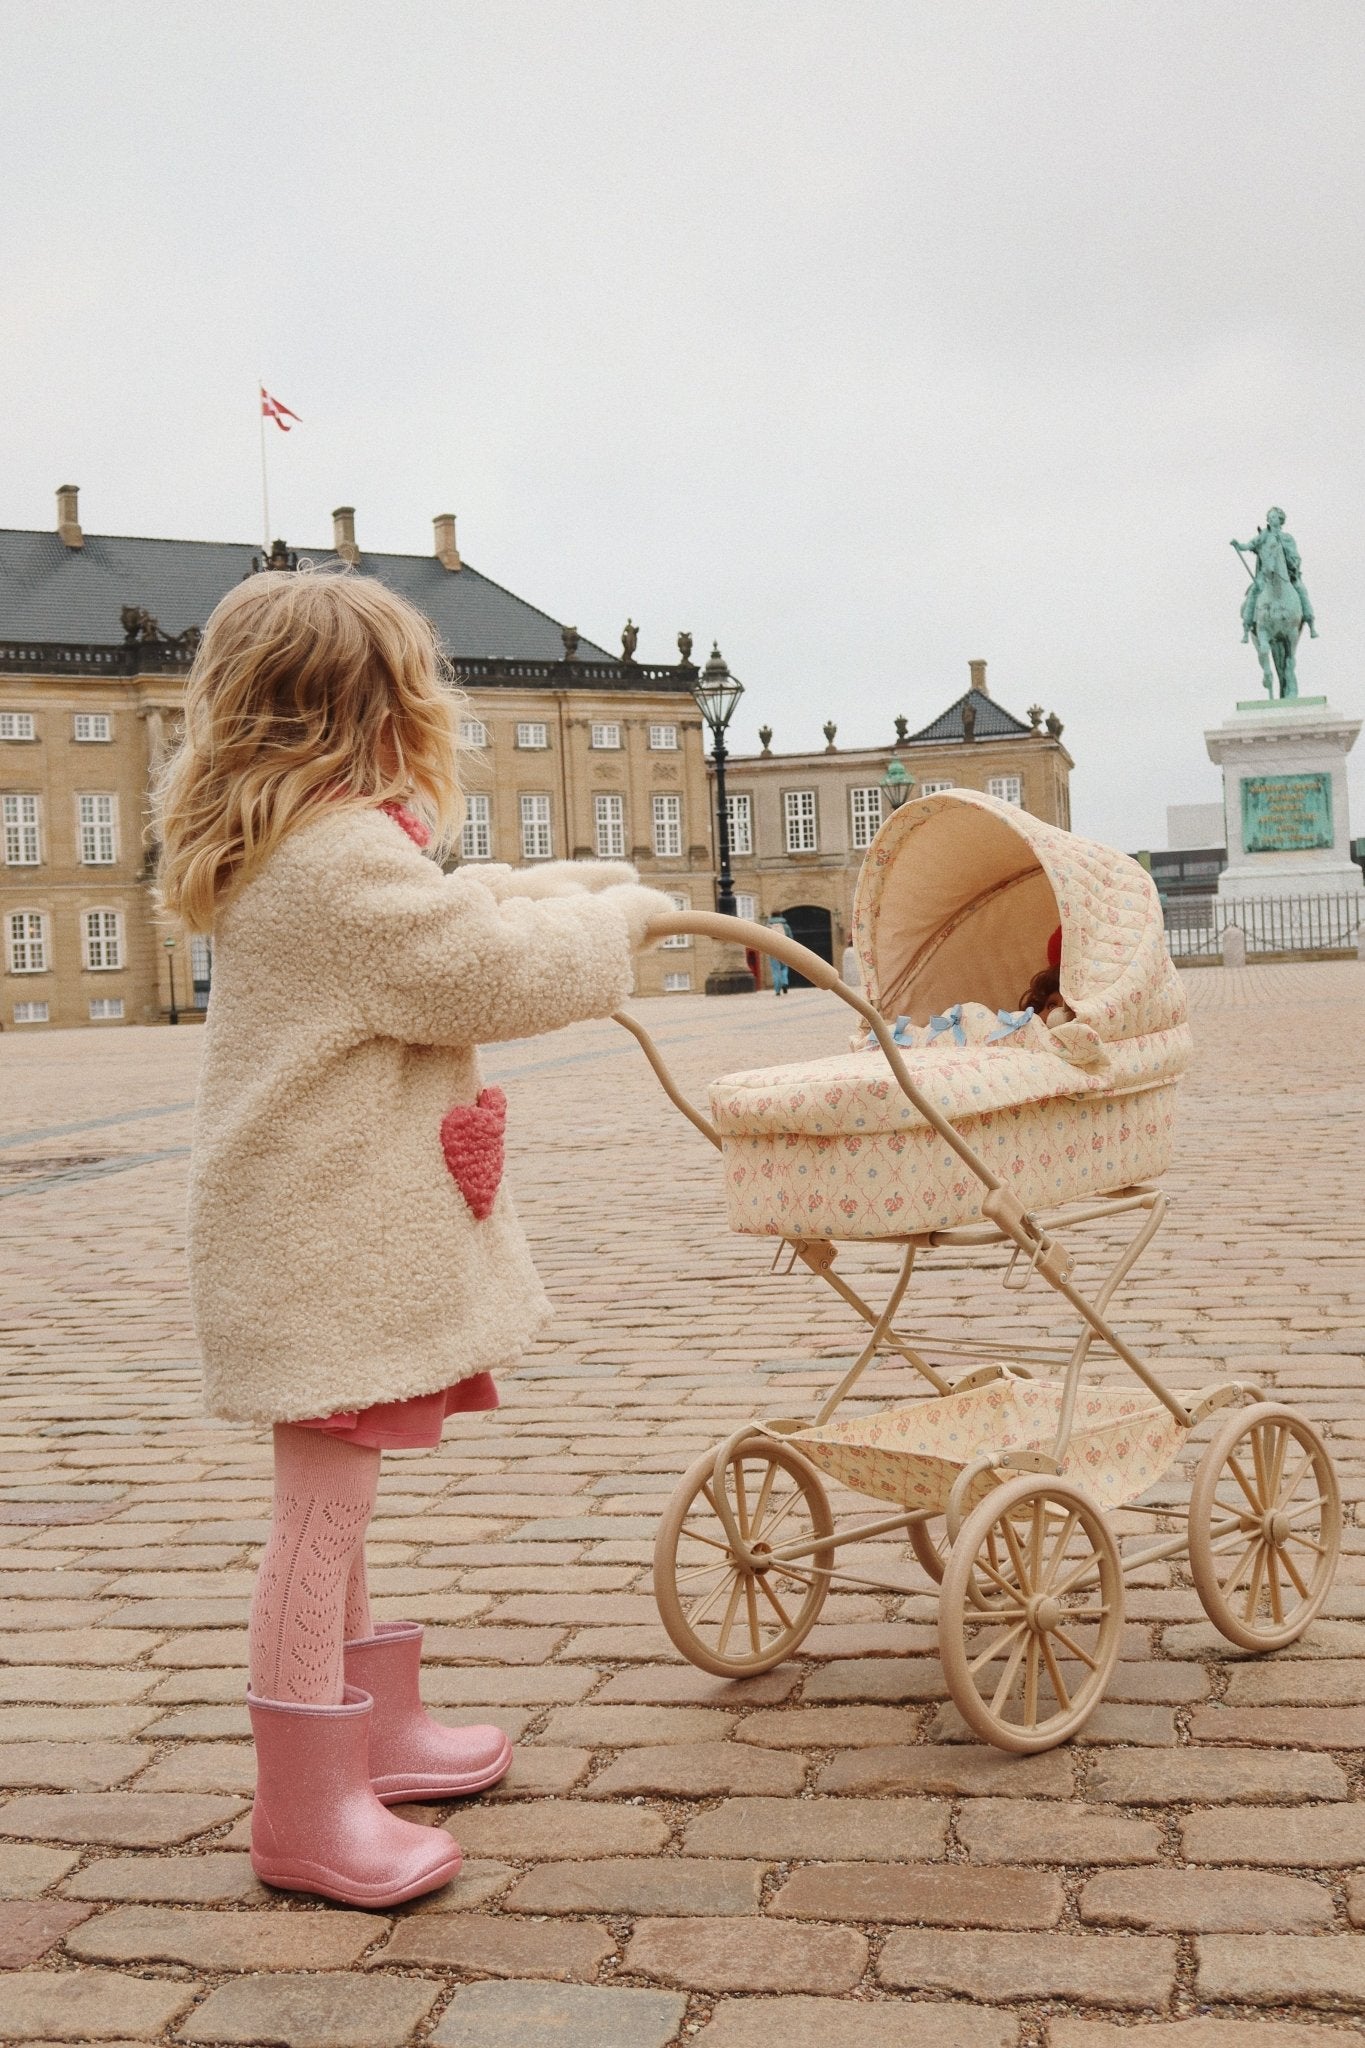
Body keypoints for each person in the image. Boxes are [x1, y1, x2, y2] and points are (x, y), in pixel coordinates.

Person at [158, 570, 672, 1909]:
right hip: (319, 1250)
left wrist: (560, 880)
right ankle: (304, 1807)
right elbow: (481, 966)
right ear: (368, 712)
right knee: (318, 1517)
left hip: (315, 1242)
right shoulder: (336, 864)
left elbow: (443, 912)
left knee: (342, 1507)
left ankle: (369, 1736)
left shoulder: (313, 847)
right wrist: (609, 922)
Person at [1233, 508, 1317, 641]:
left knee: (1301, 589)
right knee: (1254, 591)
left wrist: (1292, 565)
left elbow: (1295, 556)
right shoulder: (1263, 536)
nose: (1271, 519)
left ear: (1280, 520)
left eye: (1274, 517)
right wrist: (1239, 545)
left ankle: (1310, 621)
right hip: (1265, 575)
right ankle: (1247, 626)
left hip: (1288, 574)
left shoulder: (1287, 538)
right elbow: (1250, 545)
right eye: (1269, 517)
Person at [767, 913, 793, 995]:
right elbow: (790, 938)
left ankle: (777, 990)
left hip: (773, 950)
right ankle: (785, 983)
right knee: (784, 968)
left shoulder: (768, 925)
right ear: (780, 916)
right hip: (784, 949)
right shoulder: (785, 926)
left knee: (775, 970)